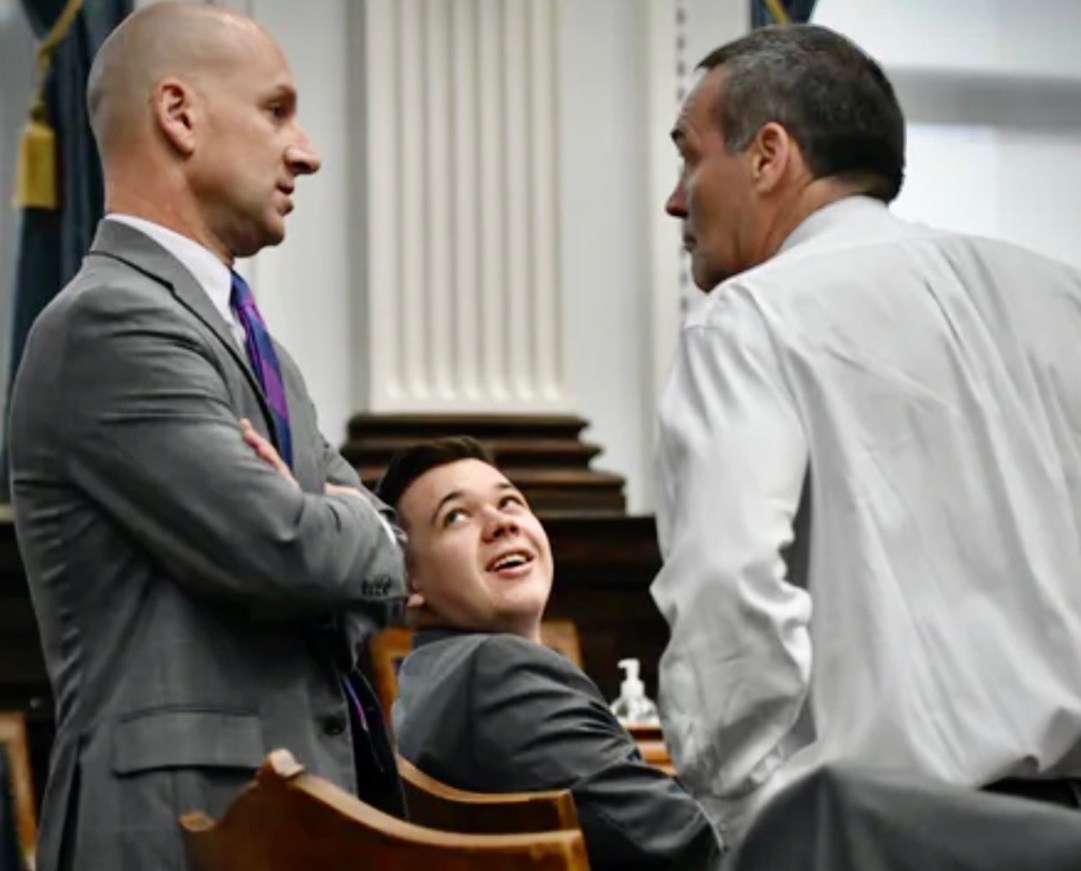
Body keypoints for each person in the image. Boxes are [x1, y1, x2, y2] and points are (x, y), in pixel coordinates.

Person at [653, 22, 1081, 846]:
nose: (677, 197)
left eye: (689, 155)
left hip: (890, 839)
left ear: (767, 154)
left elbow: (725, 593)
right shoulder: (1058, 297)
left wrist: (758, 827)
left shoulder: (749, 320)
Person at [7, 4, 406, 869]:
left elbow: (376, 543)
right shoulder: (111, 325)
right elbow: (288, 547)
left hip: (275, 820)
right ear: (179, 115)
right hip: (175, 833)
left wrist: (342, 520)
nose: (307, 151)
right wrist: (343, 519)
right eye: (275, 110)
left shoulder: (251, 340)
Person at [368, 436, 721, 870]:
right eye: (456, 516)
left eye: (511, 502)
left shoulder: (431, 673)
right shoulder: (497, 675)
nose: (502, 524)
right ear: (409, 581)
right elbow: (684, 842)